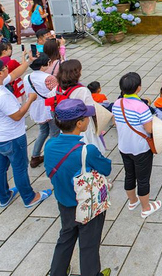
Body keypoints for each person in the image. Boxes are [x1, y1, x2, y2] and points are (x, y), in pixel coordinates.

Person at [44, 99, 112, 276]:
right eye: (86, 117)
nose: (89, 119)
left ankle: (57, 272)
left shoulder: (50, 145)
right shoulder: (87, 150)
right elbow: (106, 169)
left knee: (65, 238)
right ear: (79, 123)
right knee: (89, 244)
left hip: (64, 202)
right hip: (86, 204)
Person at [0, 56, 53, 208]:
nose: (8, 69)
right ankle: (29, 197)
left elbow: (13, 75)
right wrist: (30, 100)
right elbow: (17, 116)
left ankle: (4, 196)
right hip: (11, 137)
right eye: (5, 67)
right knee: (19, 168)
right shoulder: (1, 95)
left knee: (0, 167)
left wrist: (28, 61)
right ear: (0, 73)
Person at [111, 72, 161, 217]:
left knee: (129, 174)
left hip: (124, 146)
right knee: (143, 178)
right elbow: (149, 129)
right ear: (138, 88)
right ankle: (146, 208)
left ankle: (133, 201)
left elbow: (115, 122)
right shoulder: (141, 107)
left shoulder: (117, 103)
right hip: (140, 148)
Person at [56, 60, 106, 152]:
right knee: (86, 147)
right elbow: (91, 110)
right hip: (81, 124)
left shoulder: (58, 88)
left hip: (66, 123)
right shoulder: (82, 90)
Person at [25, 54, 58, 168]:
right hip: (49, 108)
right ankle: (52, 157)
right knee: (54, 132)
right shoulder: (48, 78)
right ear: (45, 65)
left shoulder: (27, 77)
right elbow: (56, 93)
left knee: (43, 132)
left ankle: (35, 156)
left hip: (36, 108)